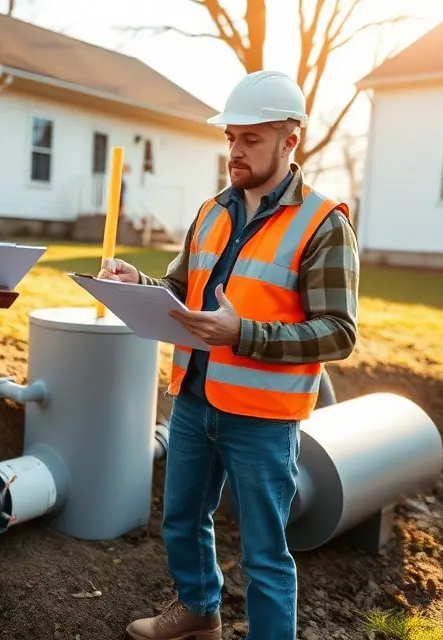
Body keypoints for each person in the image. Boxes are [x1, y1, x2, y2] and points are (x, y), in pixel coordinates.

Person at [100, 70, 360, 640]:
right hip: (195, 400)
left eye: (252, 139)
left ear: (290, 141)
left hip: (263, 418)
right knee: (182, 521)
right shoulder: (211, 212)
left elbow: (339, 332)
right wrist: (133, 282)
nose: (236, 152)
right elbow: (179, 292)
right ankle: (199, 613)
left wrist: (243, 333)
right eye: (231, 138)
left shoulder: (324, 224)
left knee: (266, 553)